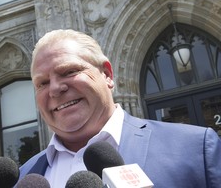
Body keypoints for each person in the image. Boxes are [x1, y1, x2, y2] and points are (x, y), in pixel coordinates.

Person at [17, 29, 221, 188]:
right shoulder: (21, 177)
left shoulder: (195, 149)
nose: (54, 89)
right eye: (42, 83)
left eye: (69, 71)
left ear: (106, 74)